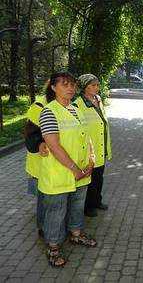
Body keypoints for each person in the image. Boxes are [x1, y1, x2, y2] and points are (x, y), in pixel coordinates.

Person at [38, 72, 97, 267]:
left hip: (81, 172)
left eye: (72, 84)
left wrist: (90, 161)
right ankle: (53, 247)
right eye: (65, 84)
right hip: (60, 173)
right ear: (53, 88)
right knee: (56, 211)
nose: (70, 88)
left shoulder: (75, 108)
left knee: (77, 206)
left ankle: (76, 234)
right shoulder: (49, 111)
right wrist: (74, 169)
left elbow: (85, 137)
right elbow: (53, 145)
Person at [75, 74, 112, 217]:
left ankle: (97, 201)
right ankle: (88, 206)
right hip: (90, 147)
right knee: (90, 179)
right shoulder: (78, 103)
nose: (97, 88)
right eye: (93, 85)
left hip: (102, 144)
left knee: (99, 176)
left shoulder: (98, 99)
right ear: (85, 87)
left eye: (97, 85)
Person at [24, 98, 48, 237]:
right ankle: (43, 227)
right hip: (40, 161)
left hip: (55, 162)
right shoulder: (39, 106)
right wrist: (41, 143)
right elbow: (31, 137)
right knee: (43, 198)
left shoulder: (66, 105)